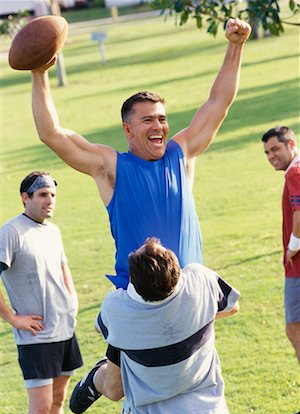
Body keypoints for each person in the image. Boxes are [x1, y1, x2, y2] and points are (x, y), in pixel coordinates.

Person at [31, 18, 251, 290]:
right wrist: (39, 73)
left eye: (162, 119)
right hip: (139, 298)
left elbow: (219, 102)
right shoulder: (110, 167)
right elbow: (51, 134)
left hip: (190, 294)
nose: (158, 126)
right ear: (128, 129)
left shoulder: (181, 153)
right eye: (147, 120)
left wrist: (235, 47)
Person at [77, 237, 240, 414]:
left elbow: (100, 328)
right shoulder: (201, 280)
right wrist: (190, 321)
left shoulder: (117, 307)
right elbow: (232, 307)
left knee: (115, 373)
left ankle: (97, 377)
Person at [0, 171, 83, 414]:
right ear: (26, 198)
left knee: (58, 401)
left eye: (53, 195)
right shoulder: (11, 232)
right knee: (40, 409)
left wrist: (72, 300)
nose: (50, 201)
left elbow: (63, 265)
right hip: (37, 335)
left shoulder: (53, 230)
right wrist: (12, 318)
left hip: (64, 328)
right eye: (43, 195)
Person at [262, 126, 300, 414]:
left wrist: (294, 245)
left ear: (291, 144)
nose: (271, 156)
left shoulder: (294, 172)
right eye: (267, 153)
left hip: (297, 269)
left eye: (275, 150)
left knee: (295, 330)